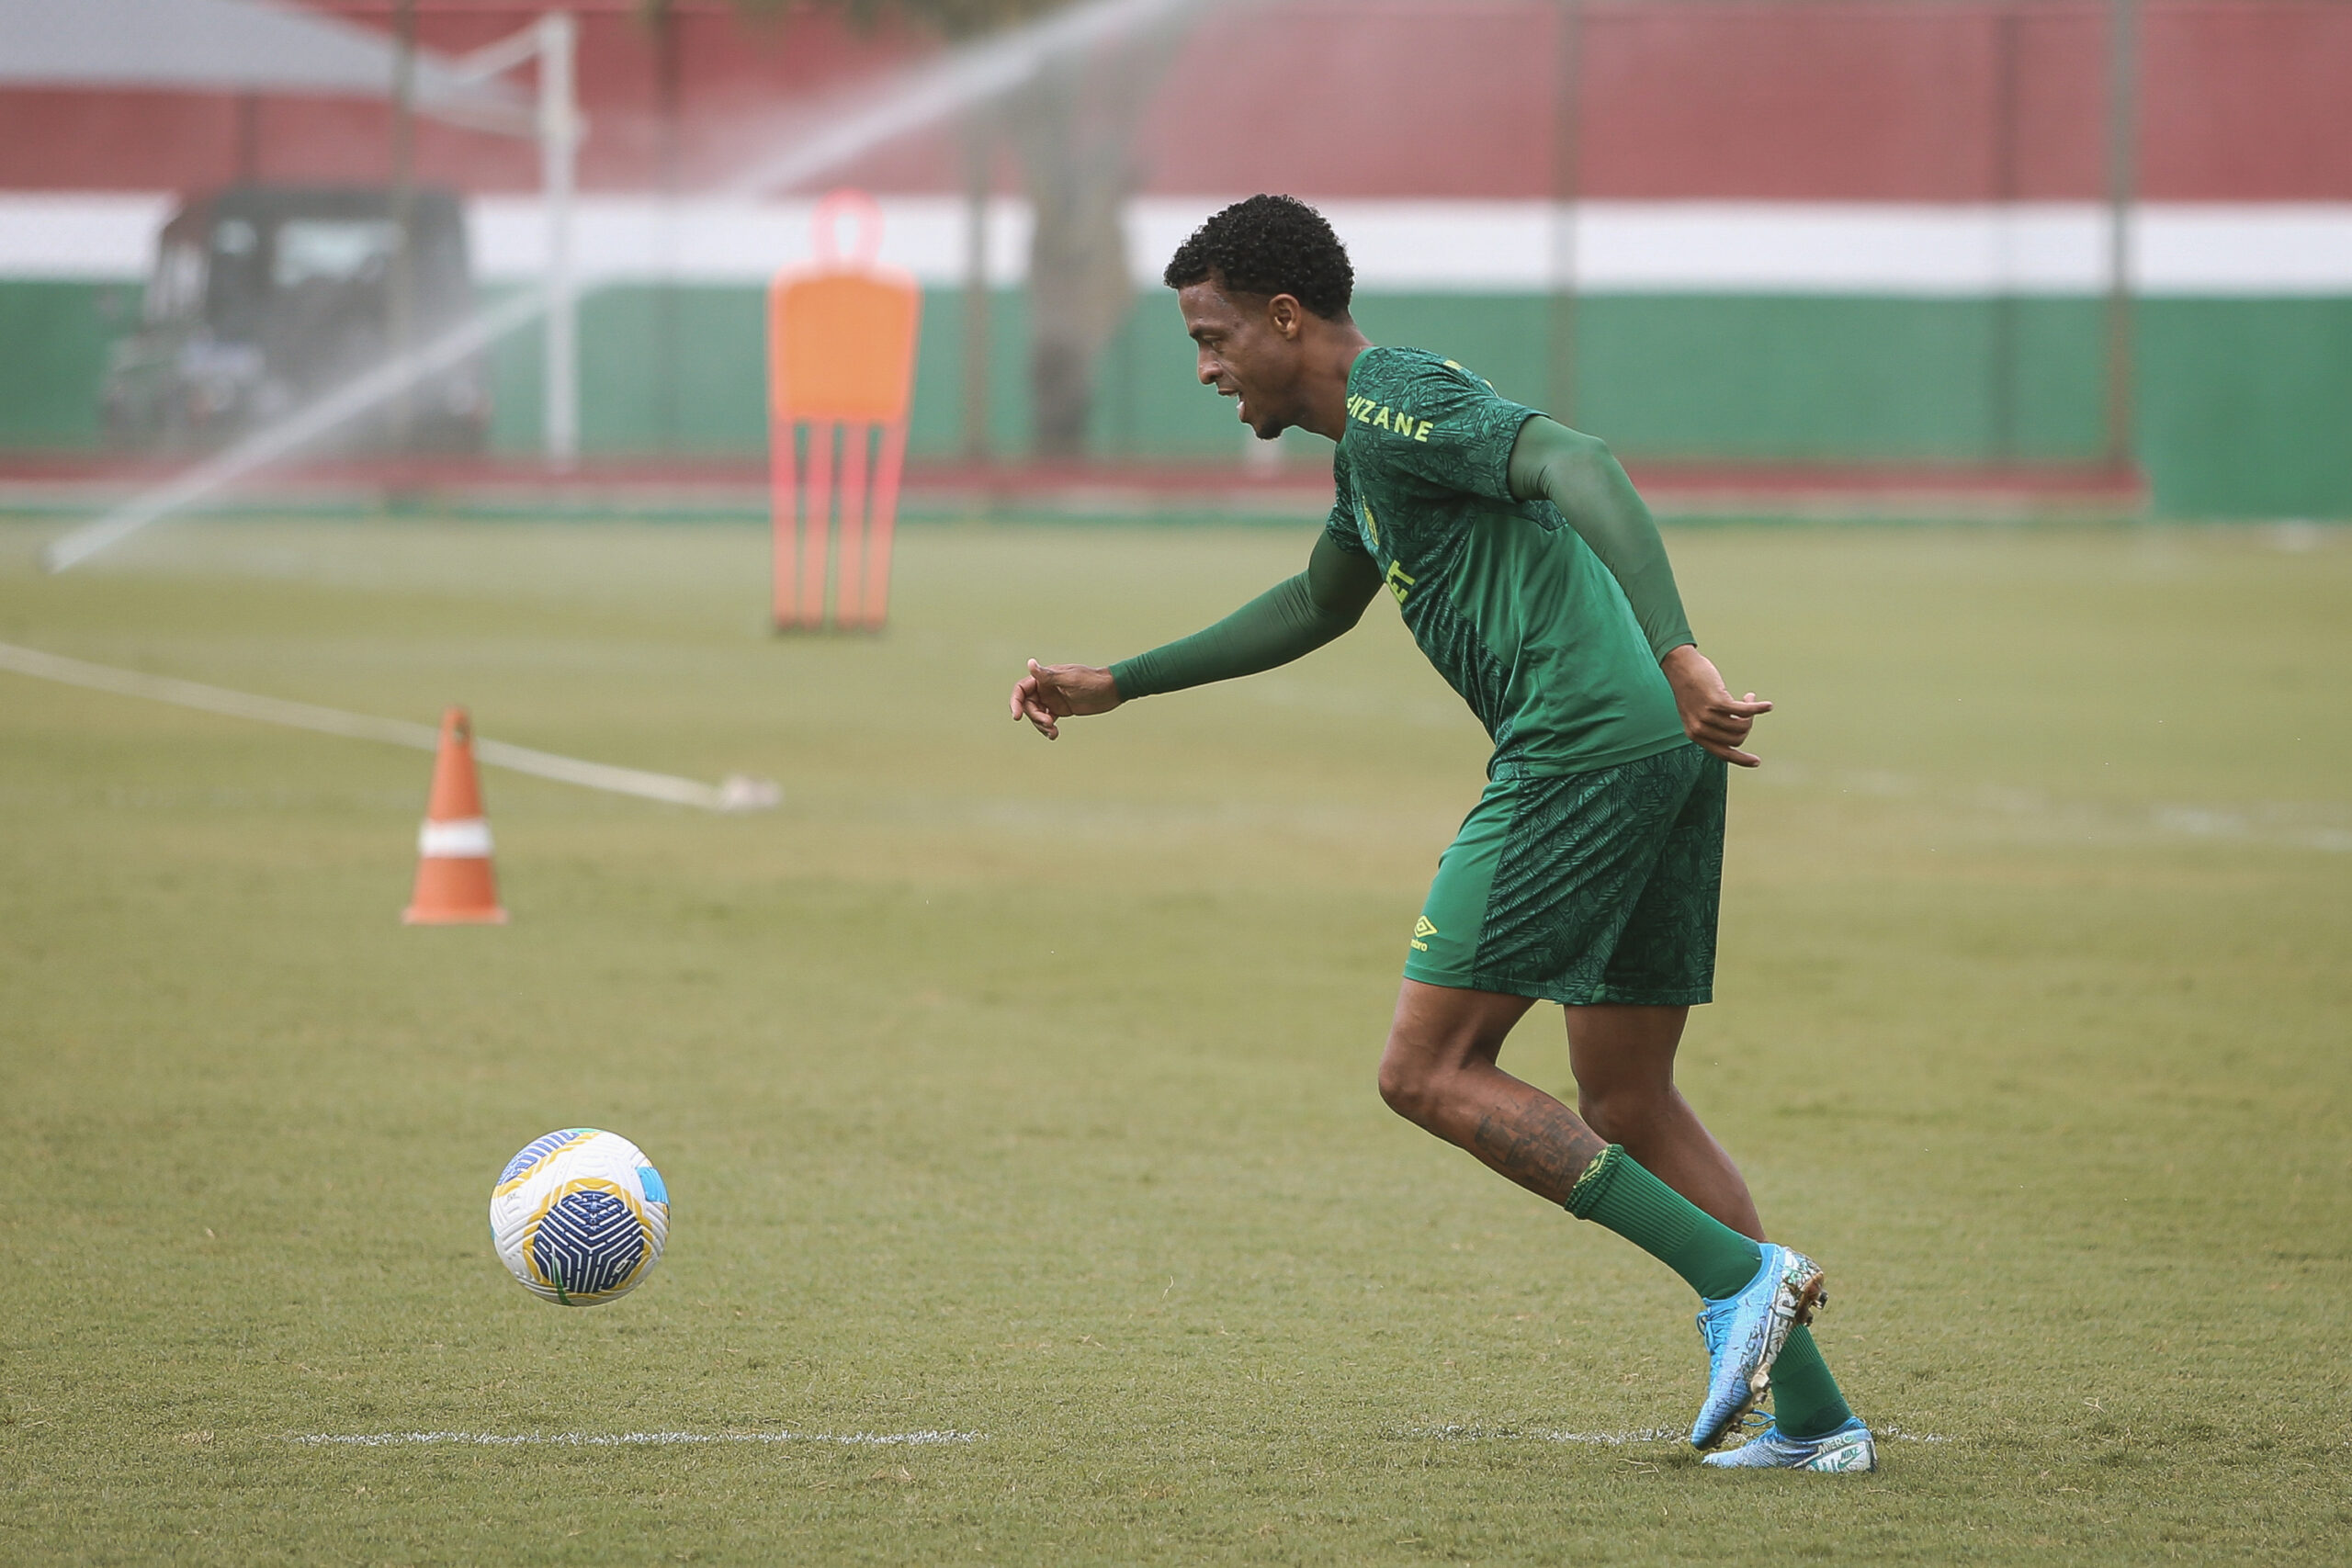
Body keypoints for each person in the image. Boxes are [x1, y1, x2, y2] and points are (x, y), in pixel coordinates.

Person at [1008, 195, 1873, 1472]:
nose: (1204, 368)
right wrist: (1119, 681)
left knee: (1427, 1070)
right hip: (1659, 758)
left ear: (1287, 318)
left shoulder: (1400, 394)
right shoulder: (1369, 455)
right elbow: (1316, 600)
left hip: (1584, 745)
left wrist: (1682, 650)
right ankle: (1813, 1421)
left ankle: (1737, 1279)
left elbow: (1580, 461)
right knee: (1626, 1096)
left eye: (1212, 337)